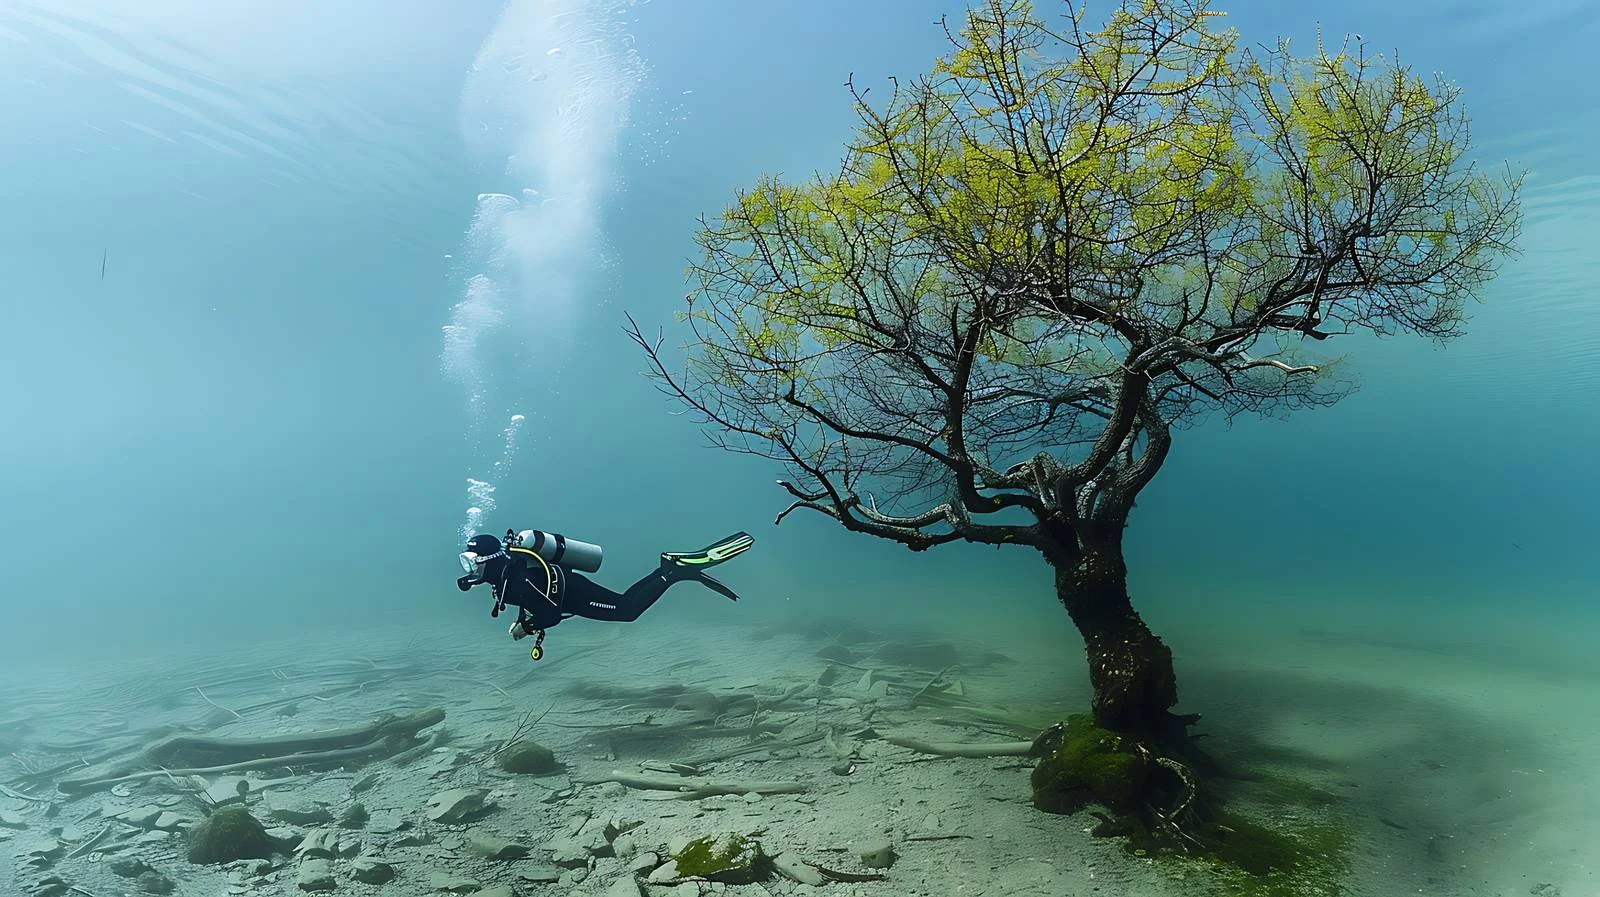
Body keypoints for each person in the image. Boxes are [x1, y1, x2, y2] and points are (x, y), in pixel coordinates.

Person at [455, 528, 755, 660]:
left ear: (489, 561)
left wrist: (528, 627)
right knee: (625, 605)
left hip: (572, 594)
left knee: (626, 611)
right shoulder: (506, 578)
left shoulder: (519, 581)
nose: (469, 569)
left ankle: (671, 570)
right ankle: (670, 570)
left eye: (471, 562)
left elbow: (551, 615)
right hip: (565, 589)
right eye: (465, 562)